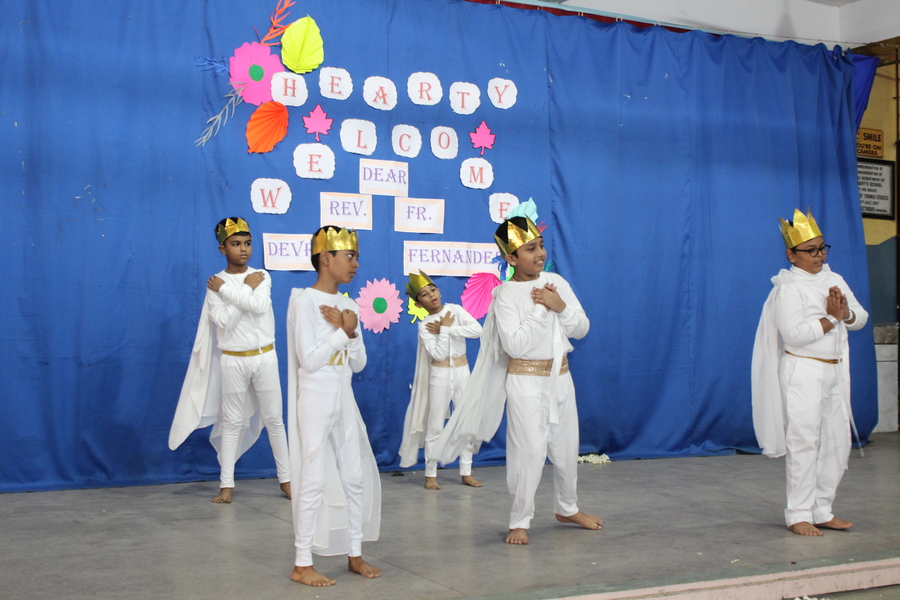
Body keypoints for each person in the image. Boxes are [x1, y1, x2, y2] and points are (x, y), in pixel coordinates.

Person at [435, 213, 602, 545]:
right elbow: (515, 345)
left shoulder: (556, 282)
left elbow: (582, 328)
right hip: (525, 382)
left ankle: (567, 507)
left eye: (540, 245)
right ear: (511, 258)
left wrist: (560, 306)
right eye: (529, 249)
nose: (539, 253)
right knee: (528, 452)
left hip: (561, 377)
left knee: (567, 447)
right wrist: (543, 308)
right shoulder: (506, 295)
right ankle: (519, 520)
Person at [751, 208, 868, 536]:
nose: (819, 255)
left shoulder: (834, 279)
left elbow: (860, 318)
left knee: (837, 442)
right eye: (811, 250)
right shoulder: (789, 288)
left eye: (822, 248)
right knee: (804, 441)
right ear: (792, 254)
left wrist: (845, 314)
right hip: (803, 371)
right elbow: (795, 335)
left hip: (836, 371)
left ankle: (822, 508)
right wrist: (832, 318)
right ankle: (798, 513)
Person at [169, 217, 291, 504]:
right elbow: (224, 321)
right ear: (223, 249)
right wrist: (240, 289)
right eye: (236, 244)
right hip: (233, 359)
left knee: (274, 419)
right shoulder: (216, 282)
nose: (243, 249)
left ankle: (287, 480)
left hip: (265, 356)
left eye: (247, 243)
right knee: (232, 421)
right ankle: (226, 485)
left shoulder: (260, 276)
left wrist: (228, 291)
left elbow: (259, 306)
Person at [286, 225, 381, 586]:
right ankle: (302, 562)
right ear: (325, 258)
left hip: (343, 395)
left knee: (354, 476)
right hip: (315, 396)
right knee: (313, 477)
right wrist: (342, 332)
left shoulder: (349, 305)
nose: (356, 263)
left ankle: (355, 553)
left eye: (356, 256)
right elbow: (308, 361)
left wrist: (351, 331)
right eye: (349, 256)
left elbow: (359, 364)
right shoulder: (304, 302)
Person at [398, 270, 483, 490]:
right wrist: (444, 330)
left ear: (439, 291)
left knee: (465, 421)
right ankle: (430, 474)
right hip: (440, 374)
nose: (432, 295)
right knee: (435, 424)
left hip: (462, 371)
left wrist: (449, 329)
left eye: (433, 289)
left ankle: (466, 471)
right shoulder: (425, 325)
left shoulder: (455, 310)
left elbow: (477, 330)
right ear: (419, 303)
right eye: (425, 294)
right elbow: (438, 353)